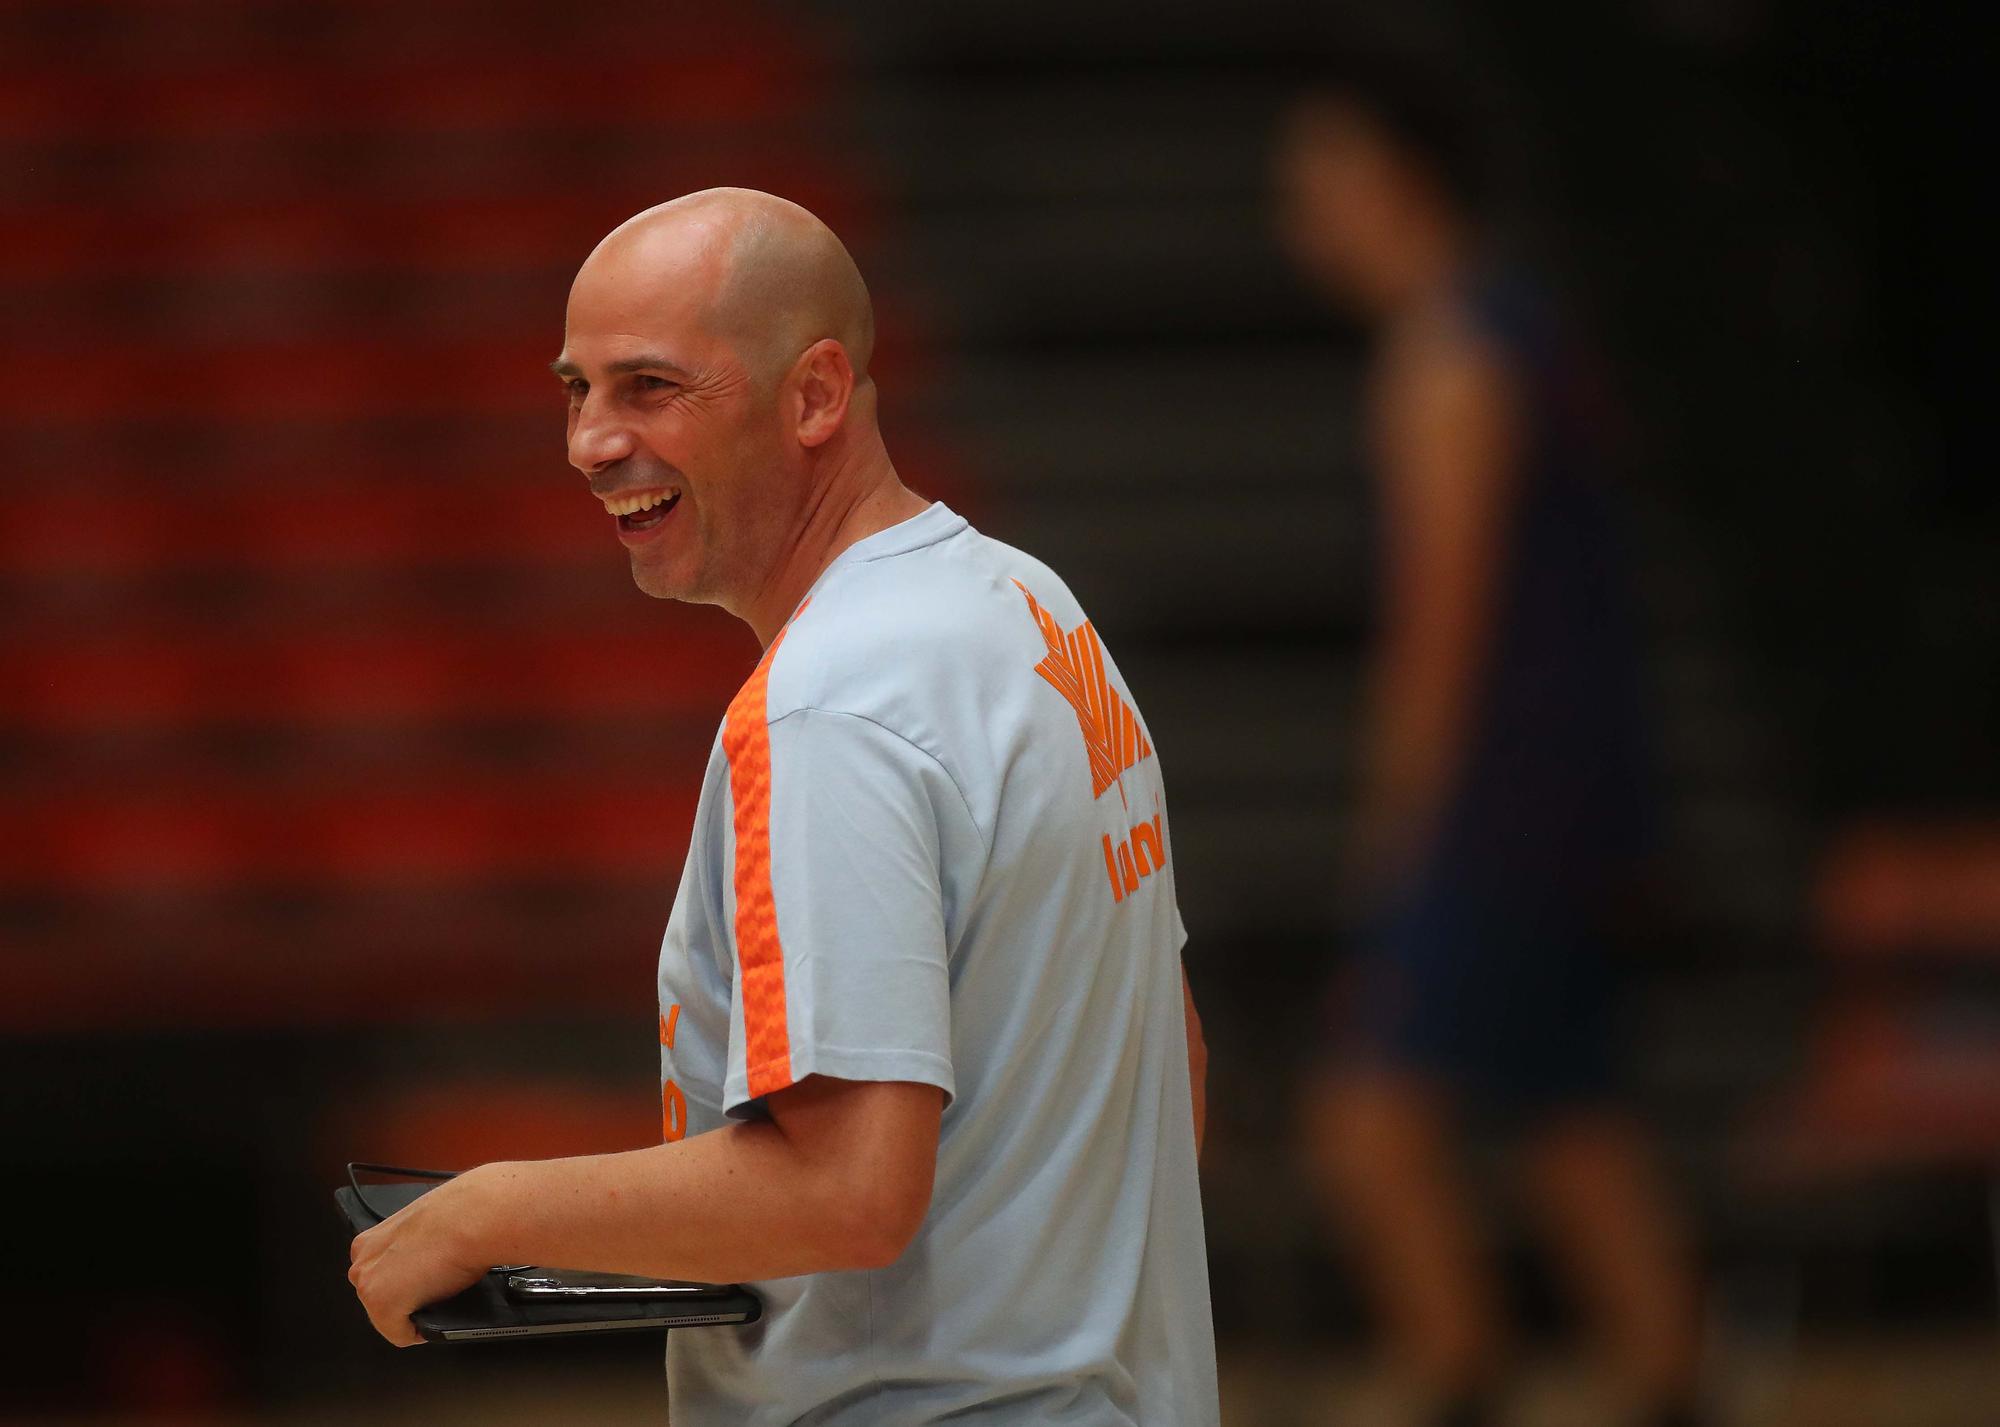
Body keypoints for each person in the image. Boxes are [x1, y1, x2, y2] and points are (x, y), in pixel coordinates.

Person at [347, 188, 1220, 1426]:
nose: (589, 440)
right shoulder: (1027, 608)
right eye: (574, 388)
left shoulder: (826, 707)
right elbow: (1164, 1057)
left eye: (648, 386)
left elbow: (846, 1189)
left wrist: (488, 1209)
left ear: (814, 393)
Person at [1276, 78, 1705, 1427]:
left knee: (1367, 1119)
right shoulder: (1522, 325)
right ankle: (1671, 1373)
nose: (1299, 219)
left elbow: (1444, 619)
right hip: (1584, 791)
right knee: (1572, 1112)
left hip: (1505, 799)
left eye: (1318, 184)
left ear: (1400, 181)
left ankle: (1454, 1372)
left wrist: (1400, 824)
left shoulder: (1448, 351)